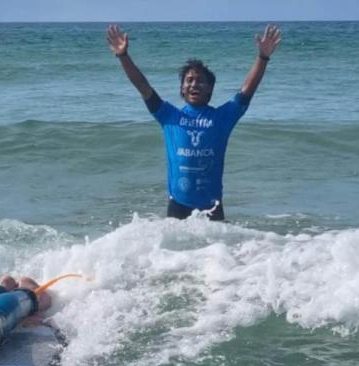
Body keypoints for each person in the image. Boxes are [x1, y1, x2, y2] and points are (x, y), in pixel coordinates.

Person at [106, 23, 281, 221]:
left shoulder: (222, 118)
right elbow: (143, 86)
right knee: (175, 253)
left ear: (209, 89)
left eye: (200, 81)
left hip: (212, 208)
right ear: (182, 89)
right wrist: (123, 56)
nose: (194, 84)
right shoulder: (169, 115)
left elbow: (246, 91)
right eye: (189, 80)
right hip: (178, 205)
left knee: (218, 252)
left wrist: (263, 57)